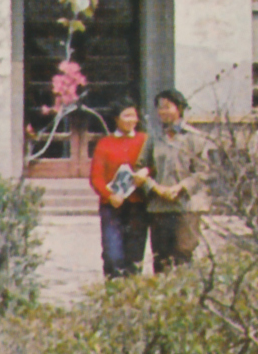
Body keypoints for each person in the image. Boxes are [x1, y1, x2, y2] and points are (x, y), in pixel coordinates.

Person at [140, 88, 212, 272]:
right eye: (160, 107)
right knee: (161, 260)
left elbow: (204, 171)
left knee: (183, 256)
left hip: (186, 207)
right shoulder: (154, 138)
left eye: (167, 107)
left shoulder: (194, 137)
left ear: (179, 108)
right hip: (160, 206)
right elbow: (140, 168)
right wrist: (155, 187)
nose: (163, 111)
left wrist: (180, 187)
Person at [87, 99, 152, 279]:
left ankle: (131, 292)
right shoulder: (105, 143)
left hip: (138, 205)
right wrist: (109, 195)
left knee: (135, 256)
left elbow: (153, 164)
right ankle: (113, 289)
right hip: (112, 206)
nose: (131, 120)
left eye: (134, 116)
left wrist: (146, 172)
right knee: (112, 254)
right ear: (116, 118)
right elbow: (96, 177)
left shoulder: (144, 140)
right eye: (126, 116)